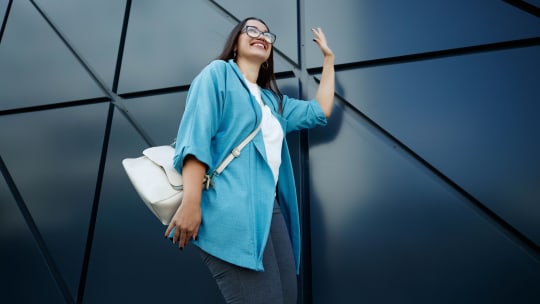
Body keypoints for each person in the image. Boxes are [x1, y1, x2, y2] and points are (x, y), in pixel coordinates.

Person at [165, 17, 334, 304]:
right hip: (229, 208)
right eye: (252, 30)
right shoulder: (218, 74)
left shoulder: (273, 102)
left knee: (287, 297)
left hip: (271, 211)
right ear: (235, 43)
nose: (261, 36)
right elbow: (196, 138)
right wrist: (191, 203)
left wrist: (328, 60)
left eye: (267, 34)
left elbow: (320, 111)